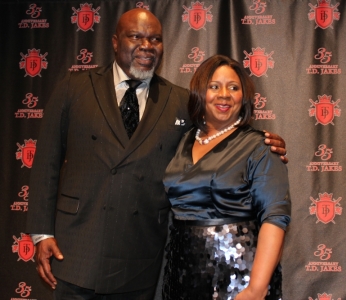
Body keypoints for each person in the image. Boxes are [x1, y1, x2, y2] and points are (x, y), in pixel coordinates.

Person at [25, 8, 287, 300]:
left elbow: (220, 132)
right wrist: (41, 233)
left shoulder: (180, 102)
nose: (147, 45)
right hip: (76, 249)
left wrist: (264, 141)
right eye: (136, 36)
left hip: (143, 258)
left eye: (156, 39)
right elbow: (46, 163)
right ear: (114, 42)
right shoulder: (73, 89)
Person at [162, 55, 291, 300]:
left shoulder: (260, 146)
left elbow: (275, 217)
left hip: (239, 277)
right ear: (201, 92)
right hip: (180, 275)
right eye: (214, 86)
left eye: (233, 87)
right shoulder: (182, 139)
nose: (224, 95)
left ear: (244, 97)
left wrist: (256, 289)